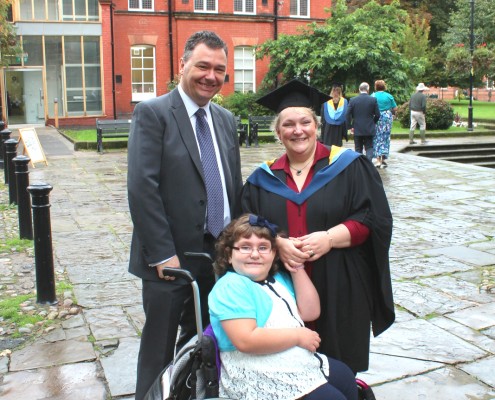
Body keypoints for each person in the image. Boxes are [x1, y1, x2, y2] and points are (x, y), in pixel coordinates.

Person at [241, 79, 394, 375]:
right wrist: (276, 243)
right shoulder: (262, 178)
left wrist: (330, 238)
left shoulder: (349, 166)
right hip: (281, 286)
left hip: (340, 281)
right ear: (278, 132)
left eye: (305, 122)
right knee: (285, 369)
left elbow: (374, 218)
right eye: (288, 124)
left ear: (316, 125)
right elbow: (244, 223)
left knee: (338, 367)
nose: (298, 130)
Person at [127, 30, 243, 400]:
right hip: (170, 260)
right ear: (183, 65)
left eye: (220, 69)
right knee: (159, 347)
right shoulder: (154, 113)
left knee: (208, 340)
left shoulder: (225, 120)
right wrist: (162, 253)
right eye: (203, 66)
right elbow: (142, 188)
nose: (211, 76)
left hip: (217, 257)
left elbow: (232, 186)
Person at [209, 214, 358, 400]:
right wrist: (297, 336)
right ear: (229, 255)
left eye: (263, 248)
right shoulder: (232, 286)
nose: (255, 254)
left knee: (345, 376)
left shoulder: (278, 280)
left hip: (288, 357)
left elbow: (310, 312)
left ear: (274, 254)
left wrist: (296, 267)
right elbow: (246, 340)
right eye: (245, 247)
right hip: (254, 366)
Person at [346, 82, 380, 161]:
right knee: (369, 147)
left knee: (358, 148)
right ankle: (368, 164)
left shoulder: (353, 100)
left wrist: (350, 126)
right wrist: (373, 122)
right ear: (368, 89)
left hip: (357, 127)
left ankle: (360, 166)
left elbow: (347, 114)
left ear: (359, 89)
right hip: (369, 128)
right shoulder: (373, 100)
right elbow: (378, 115)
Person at [371, 80, 397, 168]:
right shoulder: (389, 96)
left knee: (377, 137)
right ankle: (383, 158)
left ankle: (378, 160)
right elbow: (395, 108)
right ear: (384, 86)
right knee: (385, 137)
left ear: (376, 87)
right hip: (387, 117)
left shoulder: (373, 96)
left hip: (376, 117)